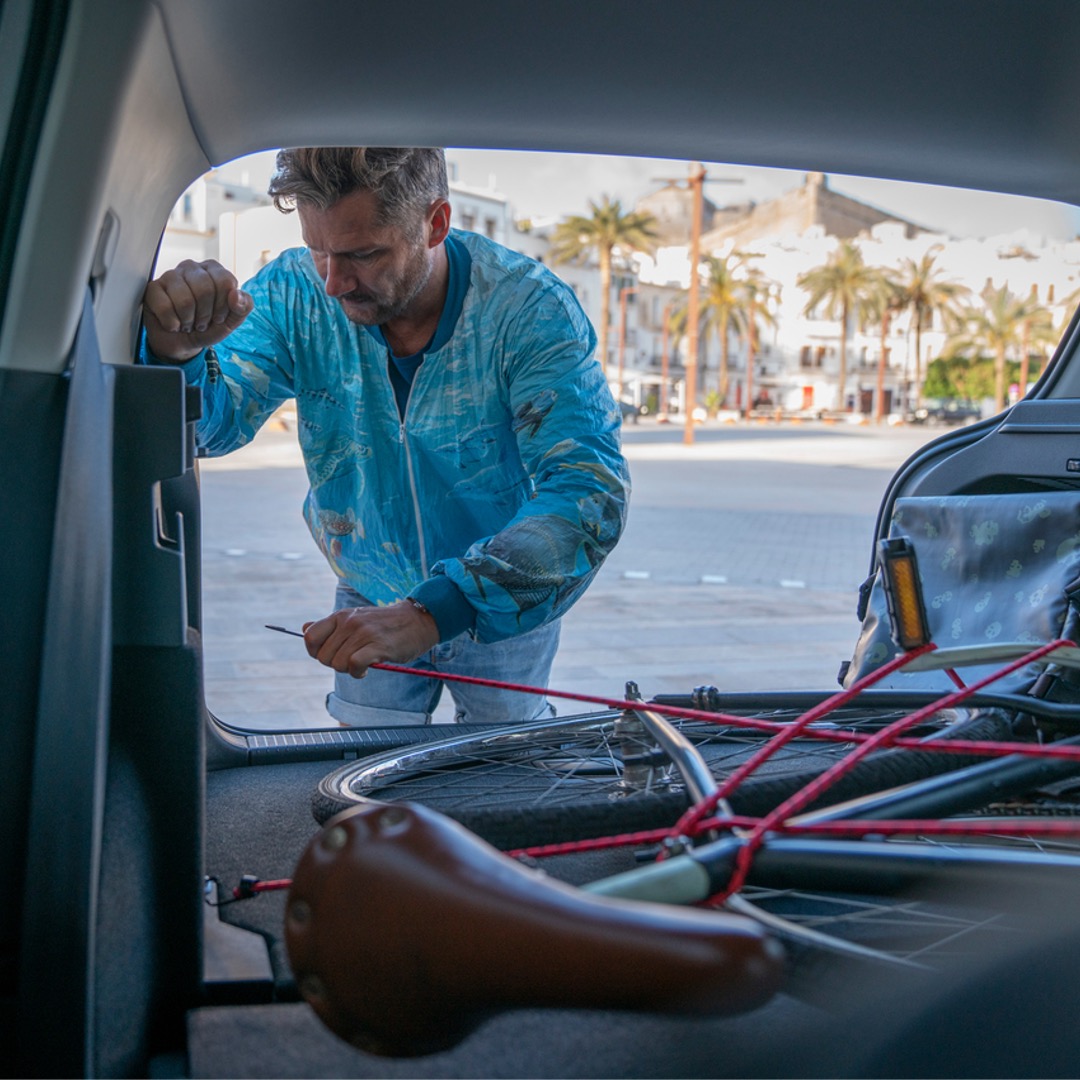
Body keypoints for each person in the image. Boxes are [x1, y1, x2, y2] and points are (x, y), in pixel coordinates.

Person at [142, 147, 630, 726]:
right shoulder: (292, 294)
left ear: (435, 223)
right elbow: (215, 427)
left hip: (504, 598)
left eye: (363, 254)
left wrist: (433, 613)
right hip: (367, 587)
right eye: (317, 250)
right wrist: (180, 352)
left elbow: (588, 491)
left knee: (503, 786)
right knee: (364, 780)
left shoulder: (529, 310)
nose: (332, 282)